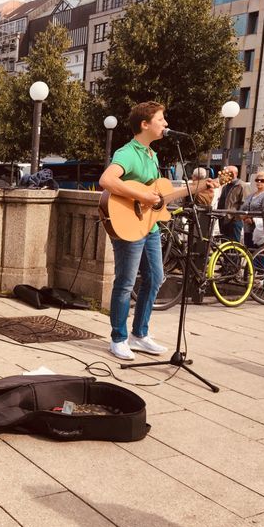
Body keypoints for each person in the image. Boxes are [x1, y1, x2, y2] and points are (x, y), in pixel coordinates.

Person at [99, 101, 218, 361]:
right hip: (128, 224)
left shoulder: (153, 155)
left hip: (149, 225)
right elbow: (107, 180)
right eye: (161, 119)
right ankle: (118, 339)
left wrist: (199, 188)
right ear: (145, 124)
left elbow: (160, 196)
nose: (166, 124)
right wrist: (143, 196)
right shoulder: (128, 152)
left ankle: (139, 335)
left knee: (155, 277)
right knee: (125, 282)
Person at [241, 171, 264, 249]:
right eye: (257, 180)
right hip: (248, 228)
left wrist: (252, 219)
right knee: (249, 252)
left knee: (259, 254)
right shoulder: (251, 195)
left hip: (260, 229)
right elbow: (243, 208)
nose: (259, 182)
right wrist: (244, 217)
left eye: (262, 180)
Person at [217, 165, 248, 242]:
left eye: (229, 173)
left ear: (235, 174)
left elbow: (244, 203)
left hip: (234, 221)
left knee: (233, 244)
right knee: (224, 244)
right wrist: (219, 215)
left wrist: (237, 218)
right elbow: (221, 202)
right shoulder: (225, 186)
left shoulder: (242, 186)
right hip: (224, 219)